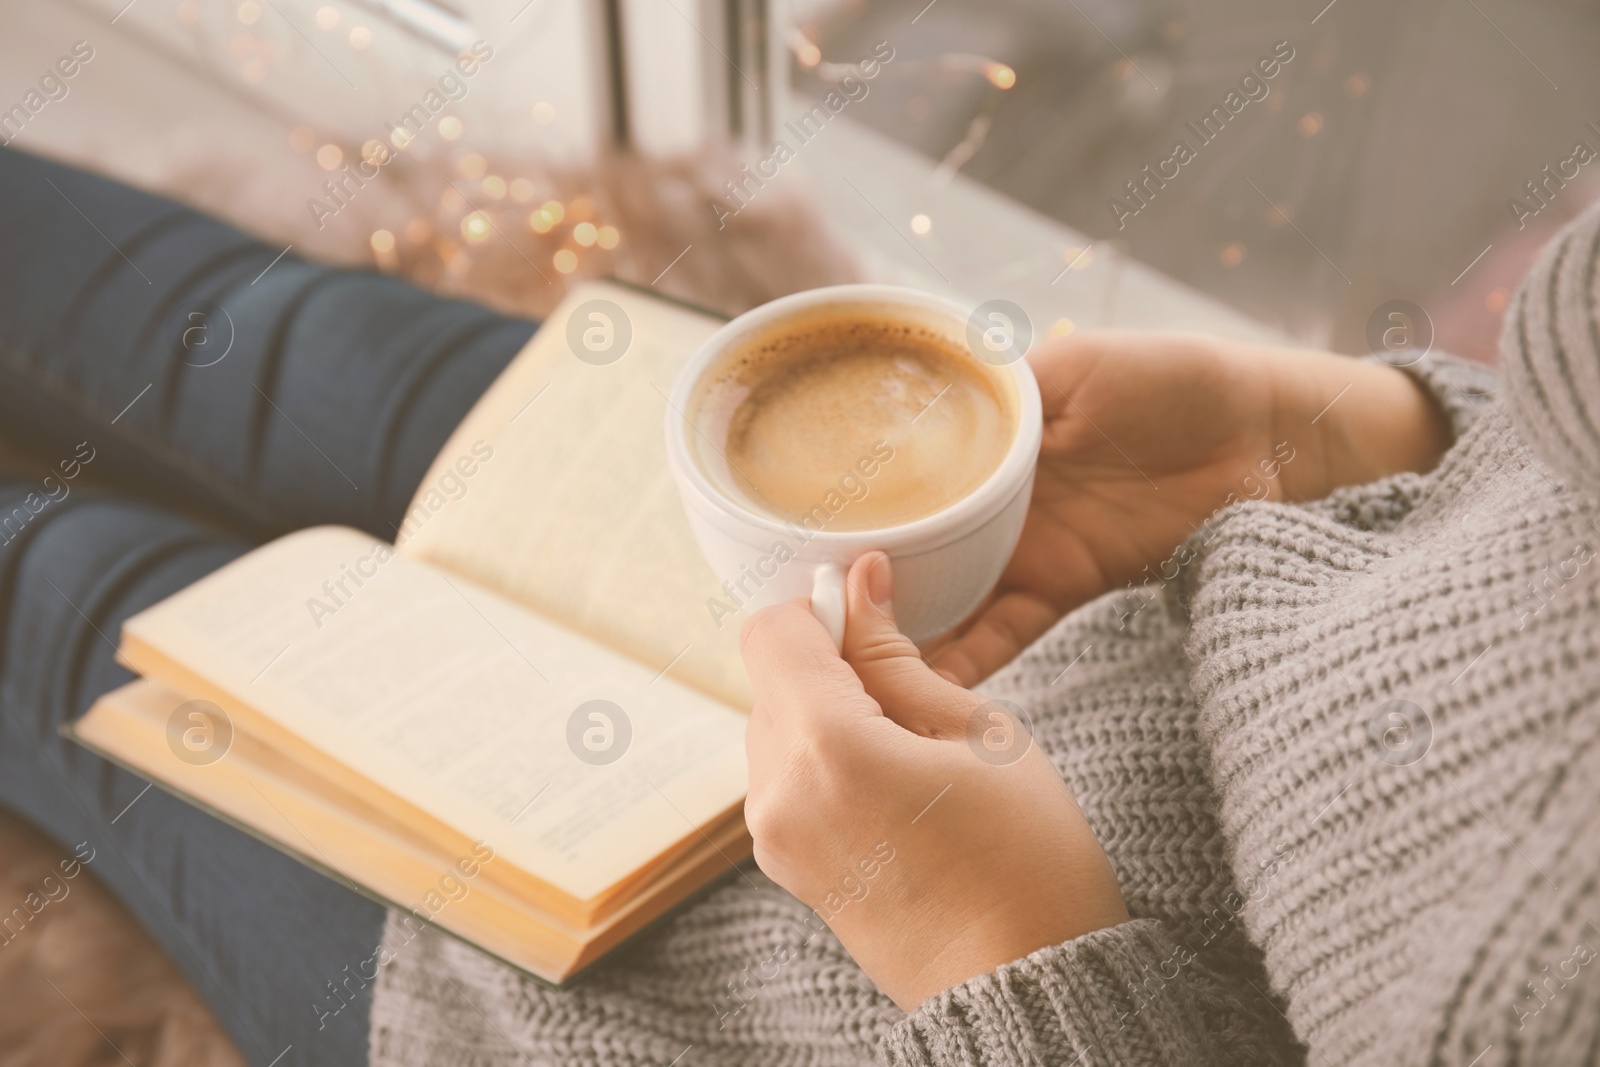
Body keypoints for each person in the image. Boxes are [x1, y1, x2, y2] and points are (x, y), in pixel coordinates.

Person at [1, 140, 1596, 1066]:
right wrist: (1344, 437)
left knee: (61, 596)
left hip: (688, 1001)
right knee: (229, 331)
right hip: (1067, 581)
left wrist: (997, 950)